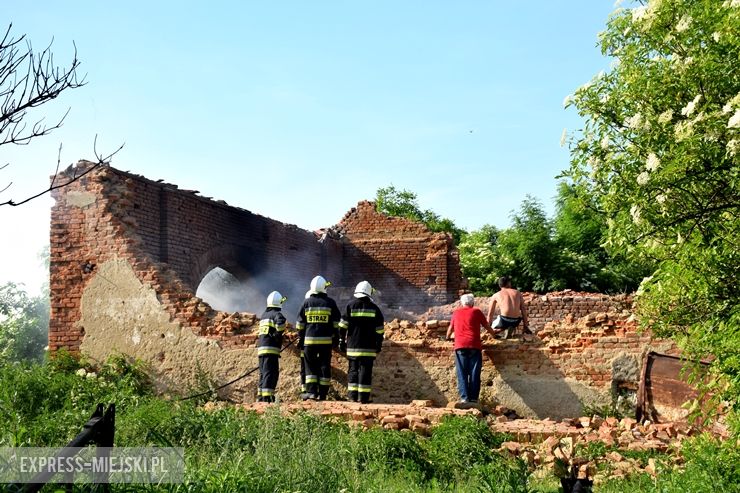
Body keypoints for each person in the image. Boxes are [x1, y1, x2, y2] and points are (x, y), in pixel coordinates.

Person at [446, 293, 499, 404]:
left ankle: (464, 398)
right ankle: (474, 399)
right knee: (475, 373)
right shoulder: (477, 312)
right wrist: (494, 335)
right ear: (473, 303)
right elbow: (487, 326)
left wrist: (447, 337)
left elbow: (450, 328)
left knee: (462, 373)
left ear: (462, 303)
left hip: (460, 346)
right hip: (474, 346)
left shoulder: (456, 313)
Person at [296, 275, 341, 400]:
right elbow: (337, 323)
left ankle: (311, 392)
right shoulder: (330, 302)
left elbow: (300, 324)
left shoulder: (306, 302)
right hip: (326, 342)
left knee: (310, 366)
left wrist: (301, 338)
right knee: (324, 366)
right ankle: (323, 393)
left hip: (309, 342)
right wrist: (336, 337)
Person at [338, 281, 384, 403]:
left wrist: (341, 341)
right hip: (369, 347)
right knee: (365, 371)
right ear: (369, 293)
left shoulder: (350, 306)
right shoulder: (375, 309)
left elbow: (342, 326)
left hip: (353, 346)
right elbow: (379, 330)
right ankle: (363, 398)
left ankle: (352, 397)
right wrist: (378, 344)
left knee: (353, 370)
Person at [256, 291, 287, 402]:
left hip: (261, 350)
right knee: (271, 373)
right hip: (271, 349)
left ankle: (260, 396)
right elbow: (281, 323)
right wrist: (278, 335)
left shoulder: (264, 316)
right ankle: (267, 397)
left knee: (263, 373)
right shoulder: (276, 314)